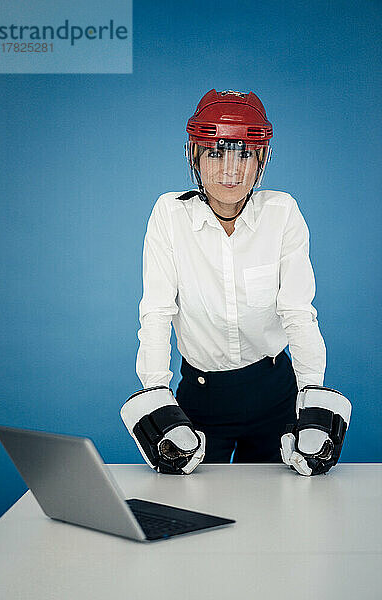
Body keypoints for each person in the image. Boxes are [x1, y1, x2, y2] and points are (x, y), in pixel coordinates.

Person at [120, 89, 351, 477]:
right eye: (216, 152)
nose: (231, 168)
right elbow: (157, 312)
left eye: (245, 153)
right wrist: (155, 393)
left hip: (275, 390)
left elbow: (298, 312)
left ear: (262, 158)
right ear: (194, 154)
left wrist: (312, 396)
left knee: (283, 513)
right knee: (189, 510)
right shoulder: (169, 215)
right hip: (201, 396)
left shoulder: (282, 213)